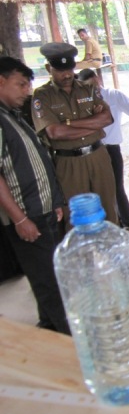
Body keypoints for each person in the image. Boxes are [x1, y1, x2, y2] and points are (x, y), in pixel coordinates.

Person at [0, 56, 70, 335]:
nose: (26, 91)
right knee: (49, 280)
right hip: (27, 215)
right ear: (1, 81)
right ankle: (68, 338)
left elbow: (36, 162)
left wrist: (54, 202)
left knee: (50, 274)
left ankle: (49, 325)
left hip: (43, 210)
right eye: (20, 84)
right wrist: (19, 219)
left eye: (28, 85)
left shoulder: (13, 116)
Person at [31, 42, 118, 229]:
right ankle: (83, 257)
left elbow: (107, 118)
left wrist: (69, 124)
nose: (67, 75)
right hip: (68, 163)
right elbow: (55, 132)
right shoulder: (43, 96)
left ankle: (112, 254)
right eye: (60, 70)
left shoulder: (87, 88)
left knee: (109, 210)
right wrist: (93, 124)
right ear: (49, 68)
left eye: (69, 69)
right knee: (77, 218)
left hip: (98, 156)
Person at [77, 68, 129, 234]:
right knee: (96, 189)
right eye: (89, 87)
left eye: (95, 84)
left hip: (111, 149)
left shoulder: (113, 95)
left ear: (99, 78)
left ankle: (128, 222)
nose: (95, 89)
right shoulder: (82, 101)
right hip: (91, 150)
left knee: (117, 187)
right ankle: (110, 224)